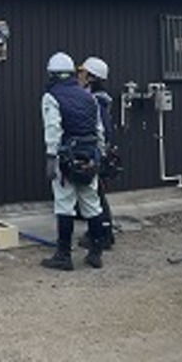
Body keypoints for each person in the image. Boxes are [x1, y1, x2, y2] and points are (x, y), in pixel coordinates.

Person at [41, 51, 107, 271]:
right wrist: (100, 154)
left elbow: (53, 129)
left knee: (64, 204)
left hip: (66, 157)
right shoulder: (89, 97)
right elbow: (99, 129)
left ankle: (63, 255)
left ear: (51, 74)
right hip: (90, 156)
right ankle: (96, 253)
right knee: (92, 203)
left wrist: (51, 157)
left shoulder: (51, 97)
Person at [78, 56, 117, 250]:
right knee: (97, 193)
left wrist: (99, 154)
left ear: (91, 78)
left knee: (96, 195)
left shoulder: (96, 101)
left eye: (82, 73)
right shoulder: (101, 99)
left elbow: (103, 130)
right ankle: (104, 233)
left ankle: (103, 235)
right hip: (100, 151)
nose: (79, 76)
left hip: (96, 153)